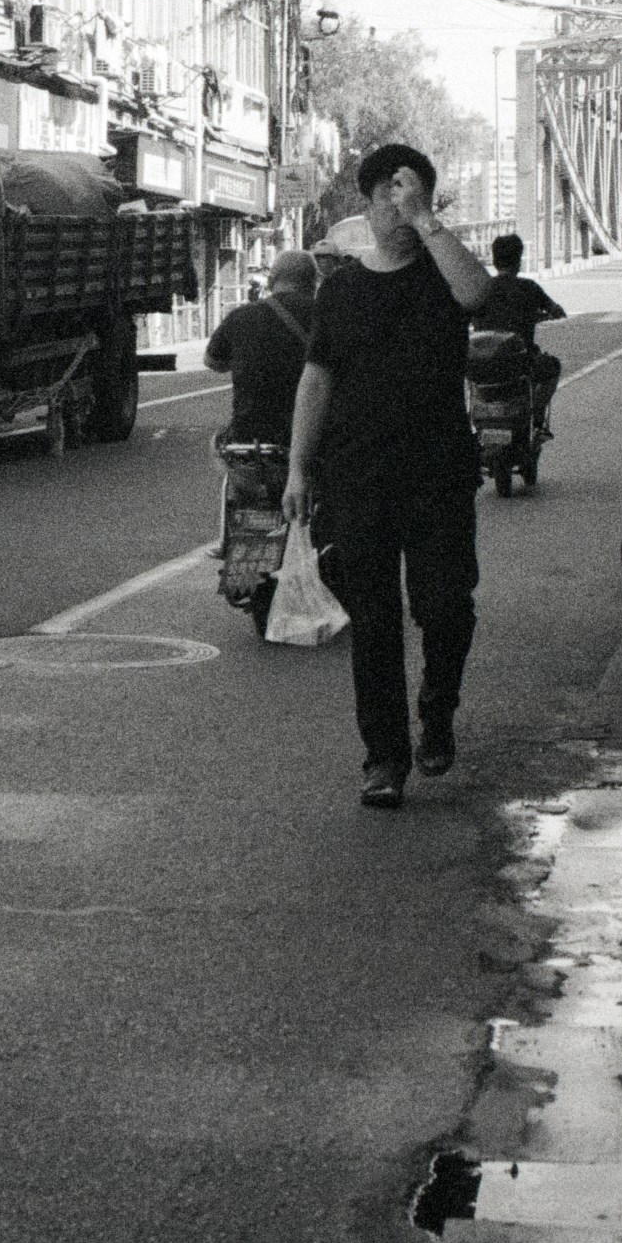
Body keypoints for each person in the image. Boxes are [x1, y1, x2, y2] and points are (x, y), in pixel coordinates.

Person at [284, 143, 493, 809]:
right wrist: (296, 468)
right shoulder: (342, 289)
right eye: (388, 198)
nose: (398, 210)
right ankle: (384, 758)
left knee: (445, 606)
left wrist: (427, 221)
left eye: (411, 197)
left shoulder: (443, 274)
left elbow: (477, 292)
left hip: (438, 474)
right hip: (357, 478)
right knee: (373, 621)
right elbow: (316, 380)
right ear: (367, 205)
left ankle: (438, 709)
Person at [204, 249, 319, 447]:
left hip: (250, 436)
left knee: (219, 443)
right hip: (312, 435)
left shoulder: (241, 316)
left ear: (271, 280)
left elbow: (212, 362)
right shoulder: (327, 316)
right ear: (313, 282)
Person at [472, 232, 566, 434]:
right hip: (521, 364)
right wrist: (547, 314)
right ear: (518, 261)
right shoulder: (529, 288)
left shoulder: (480, 288)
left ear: (494, 261)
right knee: (552, 367)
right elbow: (556, 310)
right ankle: (536, 416)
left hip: (482, 365)